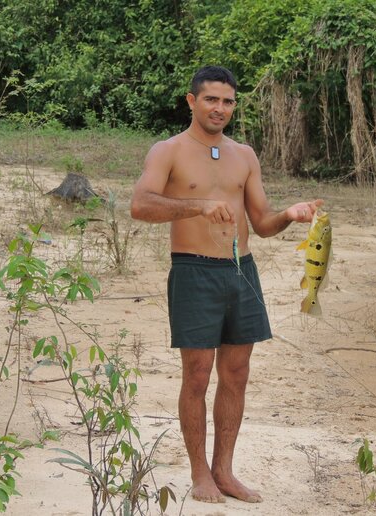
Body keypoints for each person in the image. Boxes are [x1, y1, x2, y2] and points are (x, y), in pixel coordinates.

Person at [130, 65, 322, 504]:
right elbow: (140, 206)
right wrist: (198, 206)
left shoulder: (245, 155)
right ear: (191, 101)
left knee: (236, 374)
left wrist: (290, 216)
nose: (220, 108)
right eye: (212, 100)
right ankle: (200, 474)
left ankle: (225, 471)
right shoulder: (169, 150)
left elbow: (262, 223)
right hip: (193, 271)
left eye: (228, 101)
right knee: (196, 375)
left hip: (241, 271)